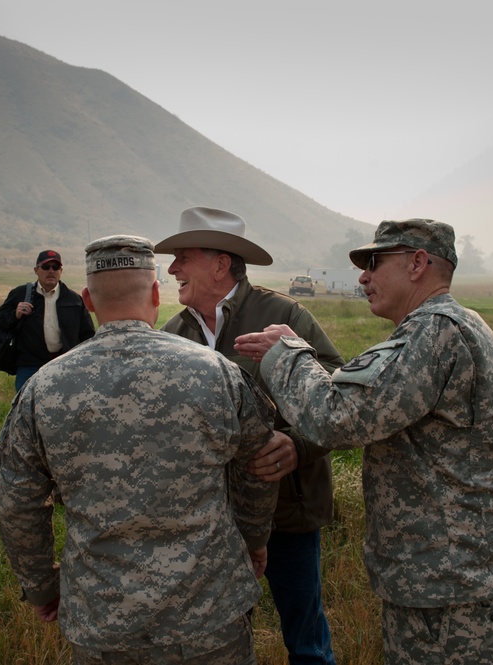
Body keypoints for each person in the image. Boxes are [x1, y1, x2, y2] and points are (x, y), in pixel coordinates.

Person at [234, 219, 493, 665]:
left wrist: (287, 354)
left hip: (443, 580)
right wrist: (479, 495)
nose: (363, 276)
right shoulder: (467, 324)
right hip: (468, 568)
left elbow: (337, 420)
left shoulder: (434, 332)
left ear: (418, 263)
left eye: (375, 262)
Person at [0, 235, 279, 665]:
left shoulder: (43, 389)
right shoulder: (218, 373)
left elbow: (19, 502)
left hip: (102, 618)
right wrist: (255, 539)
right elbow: (259, 465)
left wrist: (40, 586)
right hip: (208, 612)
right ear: (155, 293)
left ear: (88, 300)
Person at [154, 206, 344, 665]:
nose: (173, 267)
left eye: (183, 257)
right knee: (218, 636)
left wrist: (299, 446)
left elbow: (339, 394)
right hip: (211, 519)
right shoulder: (173, 334)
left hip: (287, 509)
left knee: (305, 636)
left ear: (221, 264)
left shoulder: (282, 313)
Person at [0, 249, 95, 392]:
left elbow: (87, 335)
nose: (51, 271)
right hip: (29, 366)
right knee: (26, 411)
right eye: (46, 267)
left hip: (65, 366)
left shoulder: (74, 299)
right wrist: (15, 314)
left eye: (56, 267)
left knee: (62, 410)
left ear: (61, 271)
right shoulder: (20, 294)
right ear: (36, 270)